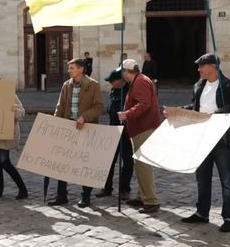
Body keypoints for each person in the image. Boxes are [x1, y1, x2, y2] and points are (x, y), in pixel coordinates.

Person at [170, 53, 230, 232]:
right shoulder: (198, 85)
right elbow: (196, 108)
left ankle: (229, 217)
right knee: (202, 178)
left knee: (227, 181)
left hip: (222, 139)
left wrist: (219, 112)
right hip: (201, 138)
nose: (198, 70)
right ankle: (202, 213)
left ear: (213, 66)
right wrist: (178, 111)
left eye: (201, 66)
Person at [48, 59, 104, 208]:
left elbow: (99, 107)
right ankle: (61, 196)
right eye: (69, 68)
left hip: (86, 128)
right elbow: (60, 106)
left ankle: (85, 197)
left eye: (72, 68)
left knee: (85, 163)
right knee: (62, 162)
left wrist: (84, 116)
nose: (69, 70)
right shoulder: (67, 85)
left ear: (80, 69)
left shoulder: (93, 85)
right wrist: (55, 124)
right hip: (68, 128)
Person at [117, 59, 161, 214]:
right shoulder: (139, 81)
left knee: (144, 165)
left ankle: (151, 201)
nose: (122, 75)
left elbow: (144, 104)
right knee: (140, 165)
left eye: (122, 72)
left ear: (128, 71)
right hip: (141, 128)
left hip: (144, 128)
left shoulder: (141, 82)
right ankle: (142, 196)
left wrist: (126, 114)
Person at [95, 68, 134, 200]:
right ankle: (106, 187)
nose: (110, 83)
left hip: (125, 132)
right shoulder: (113, 91)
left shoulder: (129, 92)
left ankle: (124, 189)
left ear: (120, 81)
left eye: (112, 81)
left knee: (127, 162)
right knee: (108, 162)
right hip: (112, 131)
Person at [0, 75, 28, 200]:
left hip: (5, 134)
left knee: (4, 162)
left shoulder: (10, 95)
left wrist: (14, 110)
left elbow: (22, 113)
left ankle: (22, 189)